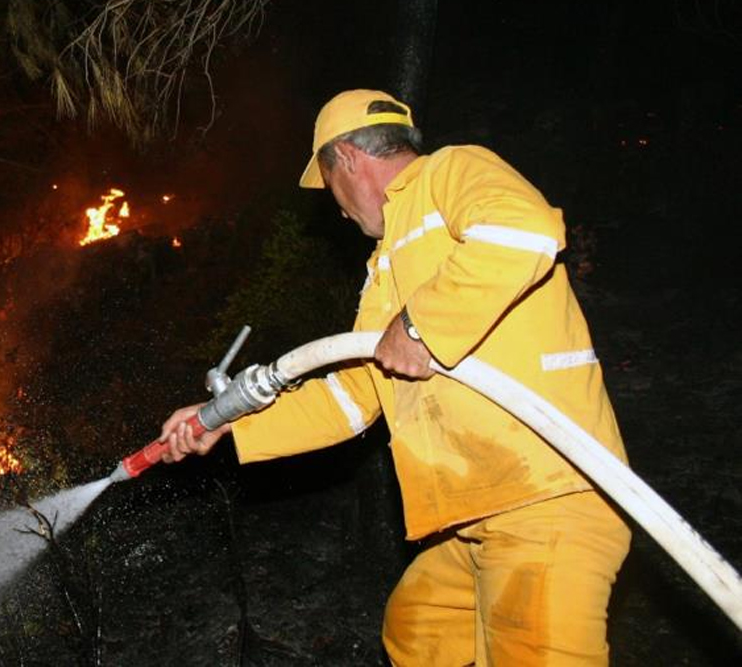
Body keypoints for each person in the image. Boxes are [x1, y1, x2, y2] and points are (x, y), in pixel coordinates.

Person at [159, 89, 630, 665]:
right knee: (420, 628)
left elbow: (527, 230)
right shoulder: (386, 265)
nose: (336, 207)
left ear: (348, 160)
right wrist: (228, 426)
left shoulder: (451, 173)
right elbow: (352, 398)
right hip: (475, 514)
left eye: (329, 184)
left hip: (546, 493)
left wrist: (419, 324)